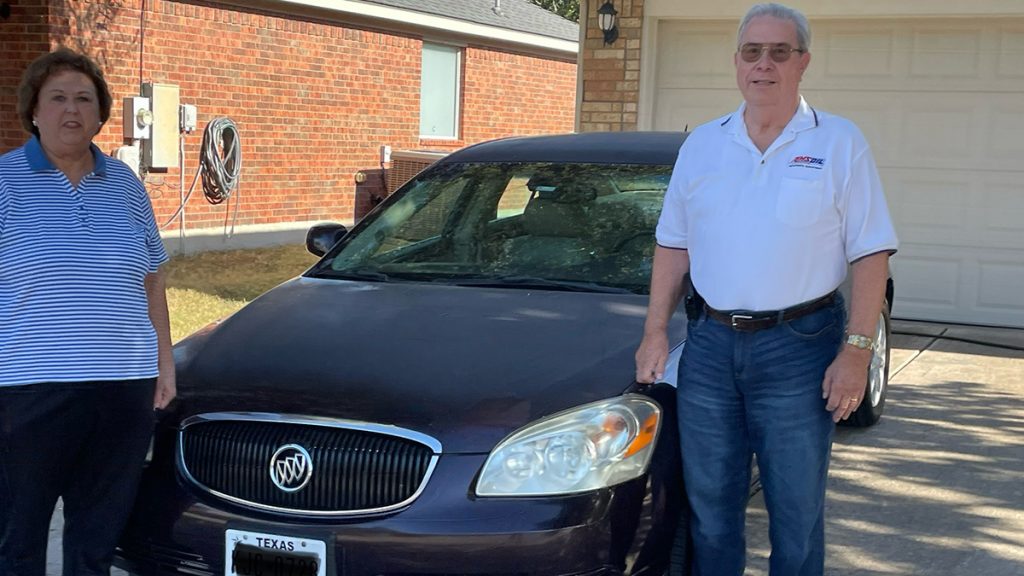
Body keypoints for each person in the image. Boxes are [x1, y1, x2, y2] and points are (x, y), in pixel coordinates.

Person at [635, 3, 898, 575]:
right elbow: (672, 245)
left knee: (796, 513)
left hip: (800, 346)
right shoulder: (703, 145)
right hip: (708, 346)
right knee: (711, 511)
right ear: (736, 63)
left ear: (802, 62)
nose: (764, 64)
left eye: (780, 52)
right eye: (752, 52)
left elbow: (870, 252)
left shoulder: (839, 143)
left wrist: (857, 352)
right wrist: (656, 331)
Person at [0, 48, 176, 576]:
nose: (71, 110)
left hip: (125, 385)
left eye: (84, 98)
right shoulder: (4, 181)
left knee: (97, 540)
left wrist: (165, 366)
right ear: (33, 109)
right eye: (57, 98)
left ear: (101, 114)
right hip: (29, 389)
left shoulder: (125, 185)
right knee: (17, 538)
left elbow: (153, 280)